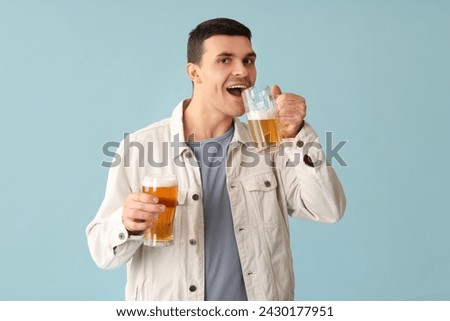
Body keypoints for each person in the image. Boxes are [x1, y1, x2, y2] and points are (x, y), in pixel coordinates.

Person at [86, 17, 346, 301]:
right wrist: (126, 223)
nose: (242, 71)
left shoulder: (270, 145)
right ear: (194, 73)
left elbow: (328, 209)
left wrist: (298, 135)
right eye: (225, 60)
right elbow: (101, 252)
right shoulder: (140, 148)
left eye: (248, 61)